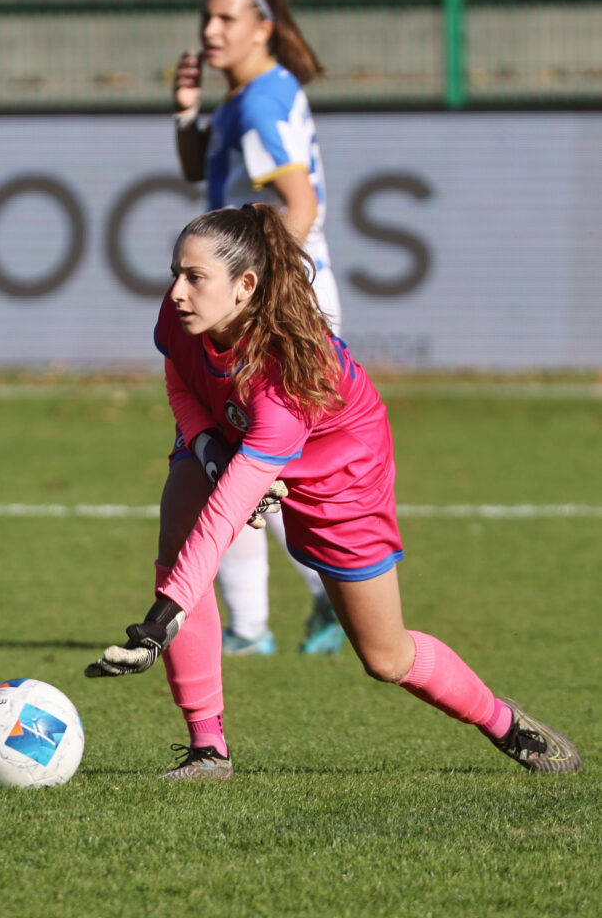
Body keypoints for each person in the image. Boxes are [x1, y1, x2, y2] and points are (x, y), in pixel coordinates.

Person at [86, 203, 582, 781]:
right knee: (177, 534)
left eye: (194, 277)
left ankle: (502, 721)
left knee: (385, 656)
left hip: (341, 465)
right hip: (227, 431)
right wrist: (205, 447)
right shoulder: (185, 314)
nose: (176, 290)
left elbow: (225, 517)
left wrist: (162, 616)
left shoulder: (287, 380)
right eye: (176, 271)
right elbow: (180, 376)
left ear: (245, 286)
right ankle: (207, 750)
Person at [171, 0, 344, 656]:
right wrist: (187, 111)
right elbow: (198, 171)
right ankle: (264, 622)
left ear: (262, 26)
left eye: (226, 19)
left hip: (277, 302)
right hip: (274, 297)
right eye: (205, 19)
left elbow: (301, 206)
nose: (210, 32)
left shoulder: (260, 101)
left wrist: (260, 291)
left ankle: (291, 609)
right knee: (244, 459)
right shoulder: (247, 97)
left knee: (244, 460)